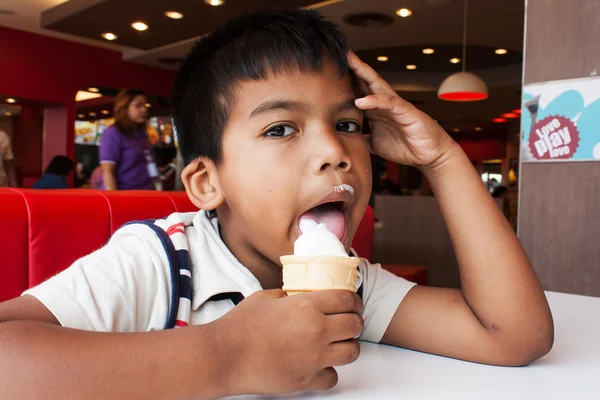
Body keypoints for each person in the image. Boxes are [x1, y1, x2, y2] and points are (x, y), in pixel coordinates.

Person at [0, 9, 553, 399]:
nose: (334, 152)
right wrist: (225, 357)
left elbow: (513, 336)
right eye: (283, 127)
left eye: (347, 125)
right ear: (206, 182)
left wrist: (443, 159)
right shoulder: (160, 261)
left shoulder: (351, 283)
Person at [98, 88, 157, 190]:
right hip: (124, 197)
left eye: (145, 105)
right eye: (138, 105)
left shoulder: (142, 134)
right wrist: (114, 202)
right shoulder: (112, 133)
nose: (144, 109)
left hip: (144, 196)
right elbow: (108, 172)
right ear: (124, 108)